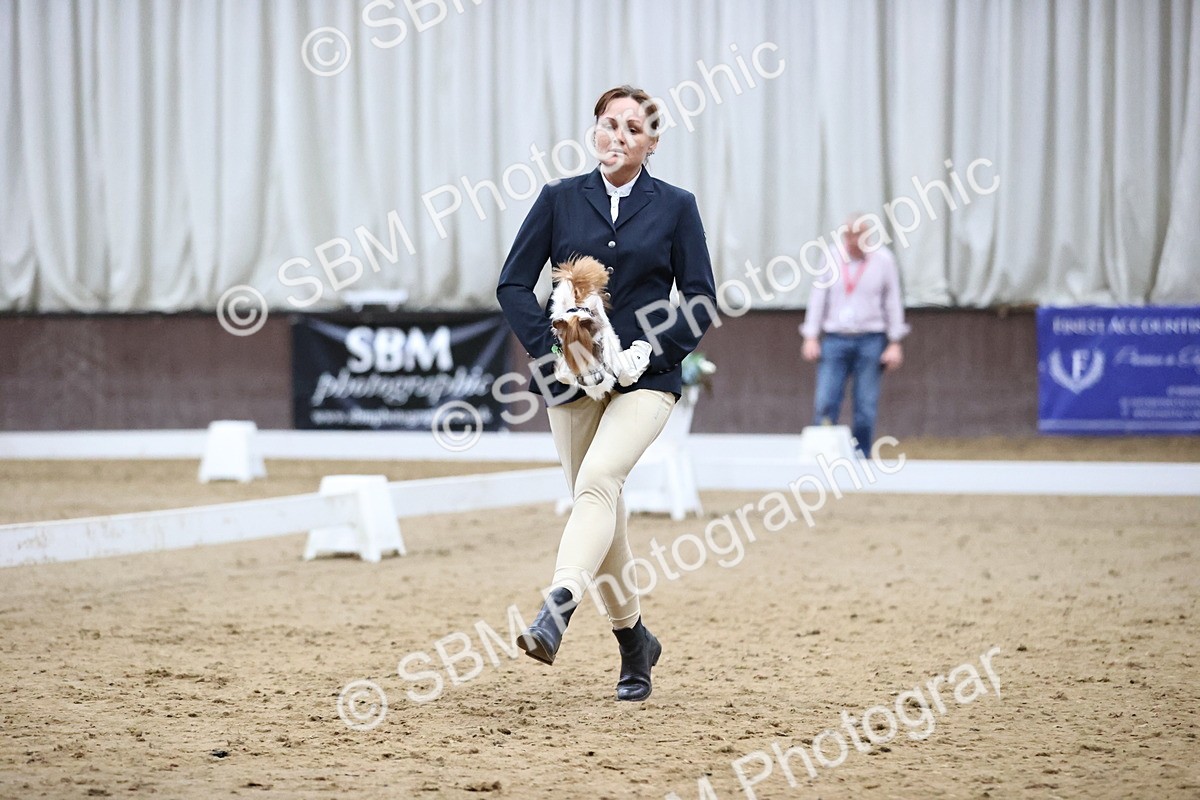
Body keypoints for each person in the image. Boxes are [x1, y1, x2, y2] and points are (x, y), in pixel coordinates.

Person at [496, 85, 716, 702]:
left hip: (645, 378)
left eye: (632, 129)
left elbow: (700, 298)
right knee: (604, 505)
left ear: (651, 142)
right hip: (571, 380)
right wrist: (551, 347)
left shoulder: (676, 206)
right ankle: (634, 641)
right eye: (608, 125)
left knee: (597, 481)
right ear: (595, 131)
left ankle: (557, 606)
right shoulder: (559, 199)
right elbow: (513, 284)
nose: (618, 136)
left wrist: (655, 349)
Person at [800, 213, 909, 457]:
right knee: (826, 399)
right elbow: (818, 297)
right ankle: (823, 456)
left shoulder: (884, 260)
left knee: (865, 405)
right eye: (848, 234)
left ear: (869, 235)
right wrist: (811, 335)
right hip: (835, 338)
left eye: (858, 234)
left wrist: (895, 342)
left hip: (871, 339)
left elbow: (892, 301)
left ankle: (861, 457)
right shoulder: (831, 256)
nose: (852, 240)